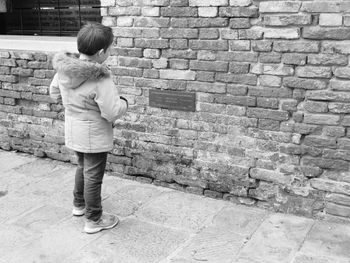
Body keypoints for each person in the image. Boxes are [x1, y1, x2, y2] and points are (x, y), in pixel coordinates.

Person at [49, 22, 128, 234]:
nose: (110, 52)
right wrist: (125, 103)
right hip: (94, 133)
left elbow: (54, 93)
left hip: (74, 129)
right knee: (94, 175)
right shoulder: (100, 77)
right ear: (101, 52)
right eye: (110, 49)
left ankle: (79, 205)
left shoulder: (65, 69)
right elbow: (111, 111)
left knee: (83, 167)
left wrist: (72, 105)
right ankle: (94, 219)